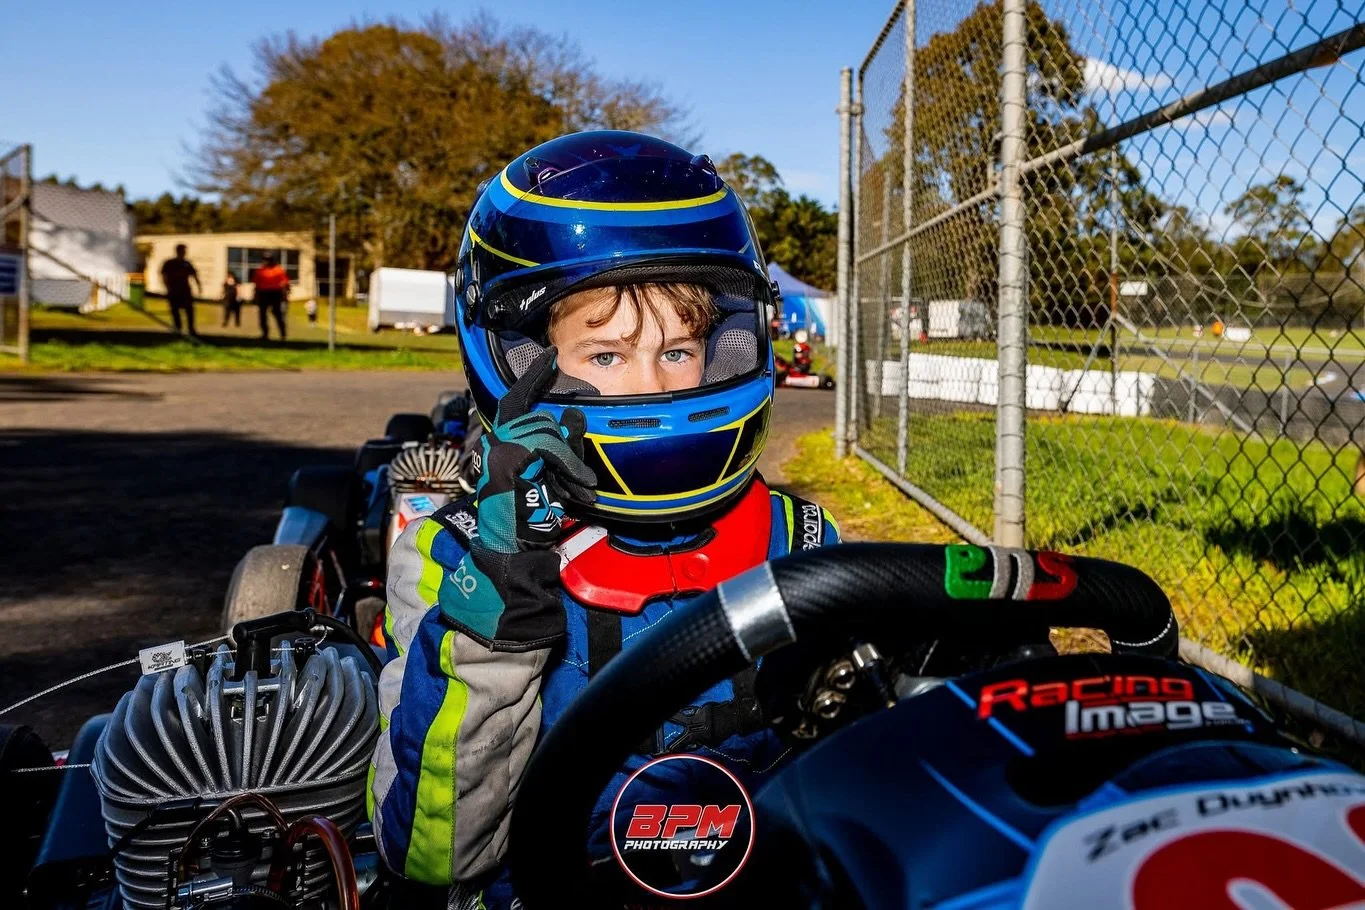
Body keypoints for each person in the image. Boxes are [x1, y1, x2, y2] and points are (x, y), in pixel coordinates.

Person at [369, 132, 841, 906]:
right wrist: (500, 607)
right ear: (521, 363)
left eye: (681, 350)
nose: (651, 385)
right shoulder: (448, 555)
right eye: (606, 357)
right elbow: (434, 854)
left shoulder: (802, 539)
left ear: (730, 347)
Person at [159, 244, 200, 337]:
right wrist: (167, 287)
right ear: (178, 251)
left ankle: (191, 329)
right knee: (175, 310)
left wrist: (199, 286)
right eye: (183, 251)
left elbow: (194, 275)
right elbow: (164, 275)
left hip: (185, 290)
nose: (184, 253)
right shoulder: (169, 263)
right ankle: (178, 328)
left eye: (185, 251)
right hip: (174, 290)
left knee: (189, 310)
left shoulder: (186, 263)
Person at [252, 253, 290, 340]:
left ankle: (283, 334)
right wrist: (255, 297)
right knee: (262, 315)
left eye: (268, 260)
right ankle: (265, 334)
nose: (266, 261)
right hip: (263, 293)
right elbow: (256, 285)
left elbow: (285, 283)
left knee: (278, 314)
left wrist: (285, 295)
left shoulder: (279, 270)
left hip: (275, 293)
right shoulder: (260, 271)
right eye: (265, 259)